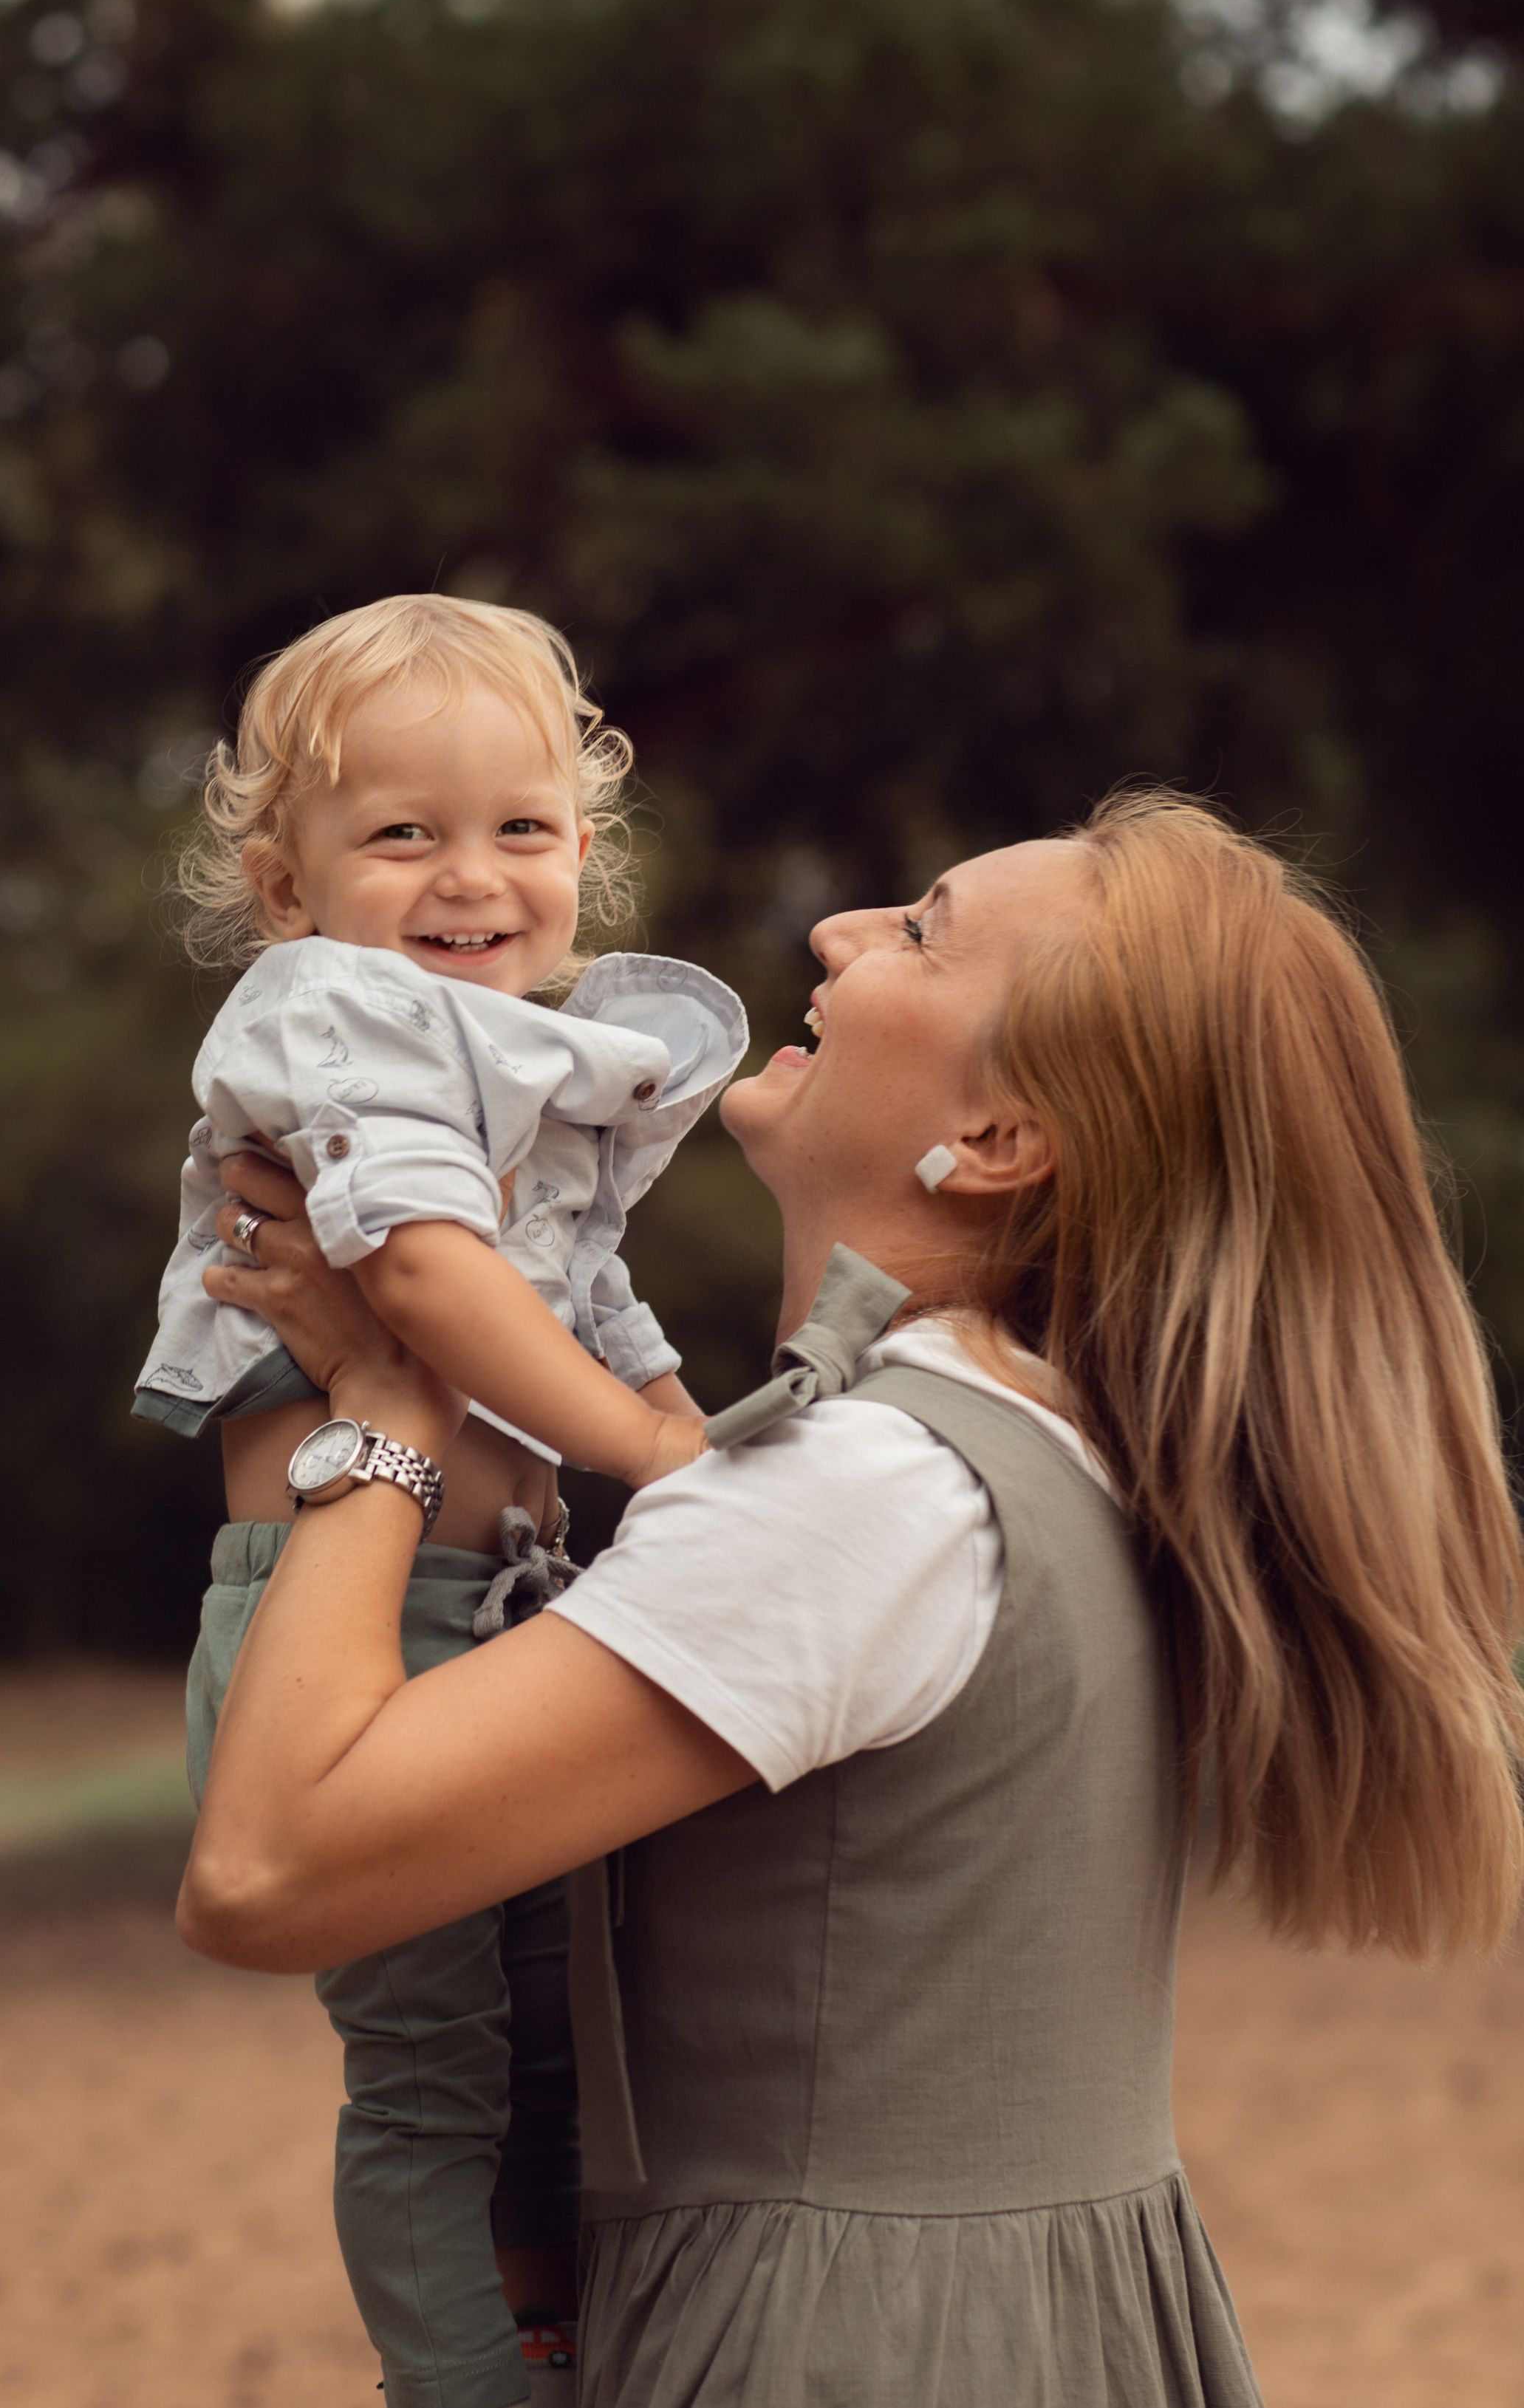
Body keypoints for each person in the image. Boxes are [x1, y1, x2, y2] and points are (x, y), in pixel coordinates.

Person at [177, 790, 1524, 2408]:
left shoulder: (860, 1495)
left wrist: (385, 1418)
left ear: (998, 1141)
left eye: (918, 930)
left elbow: (264, 1871)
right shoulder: (1052, 1445)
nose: (835, 930)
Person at [132, 592, 745, 2408]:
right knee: (428, 2073)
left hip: (504, 1604)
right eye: (401, 832)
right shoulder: (339, 1022)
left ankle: (548, 2352)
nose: (467, 877)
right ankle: (457, 2385)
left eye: (521, 830)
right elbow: (423, 1280)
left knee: (561, 2047)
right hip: (343, 1623)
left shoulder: (516, 1058)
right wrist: (655, 1466)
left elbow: (581, 1291)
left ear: (583, 855)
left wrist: (675, 1415)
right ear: (288, 888)